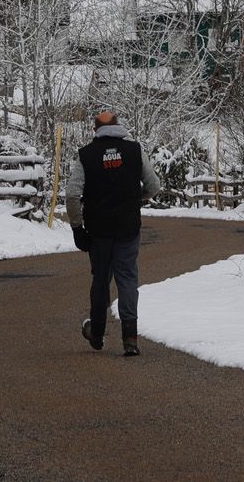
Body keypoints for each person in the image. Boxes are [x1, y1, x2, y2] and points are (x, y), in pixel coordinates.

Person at [66, 109, 161, 356]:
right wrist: (135, 200)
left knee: (100, 279)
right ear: (119, 127)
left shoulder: (86, 156)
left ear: (95, 130)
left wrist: (77, 228)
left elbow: (72, 194)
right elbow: (154, 185)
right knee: (128, 279)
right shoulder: (135, 150)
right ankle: (130, 338)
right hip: (128, 228)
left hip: (99, 231)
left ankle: (97, 333)